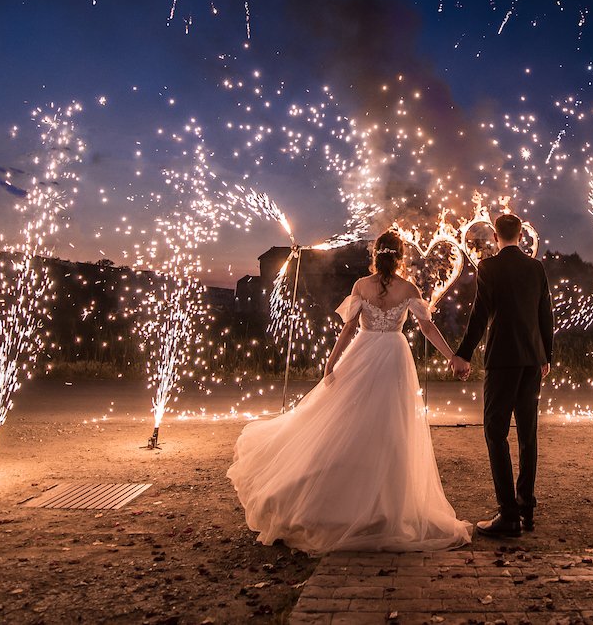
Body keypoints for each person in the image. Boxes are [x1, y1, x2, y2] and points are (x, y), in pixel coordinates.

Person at [227, 231, 473, 553]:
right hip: (394, 357)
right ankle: (385, 504)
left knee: (348, 420)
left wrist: (331, 361)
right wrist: (451, 356)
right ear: (400, 257)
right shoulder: (408, 289)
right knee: (390, 428)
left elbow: (348, 327)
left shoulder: (361, 285)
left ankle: (346, 501)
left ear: (376, 255)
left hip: (362, 351)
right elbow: (427, 327)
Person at [450, 212, 553, 538]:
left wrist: (462, 353)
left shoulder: (489, 267)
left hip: (503, 360)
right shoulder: (536, 267)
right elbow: (544, 315)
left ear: (496, 236)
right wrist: (546, 355)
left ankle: (508, 515)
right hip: (532, 361)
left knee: (496, 433)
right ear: (521, 235)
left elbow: (480, 315)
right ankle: (526, 509)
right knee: (527, 435)